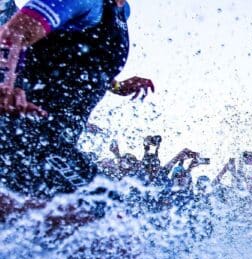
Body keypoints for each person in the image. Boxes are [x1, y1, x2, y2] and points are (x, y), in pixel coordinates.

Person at [0, 0, 154, 200]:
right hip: (23, 130)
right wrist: (6, 85)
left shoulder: (121, 11)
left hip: (55, 141)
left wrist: (116, 86)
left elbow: (80, 64)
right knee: (105, 211)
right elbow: (13, 33)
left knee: (96, 213)